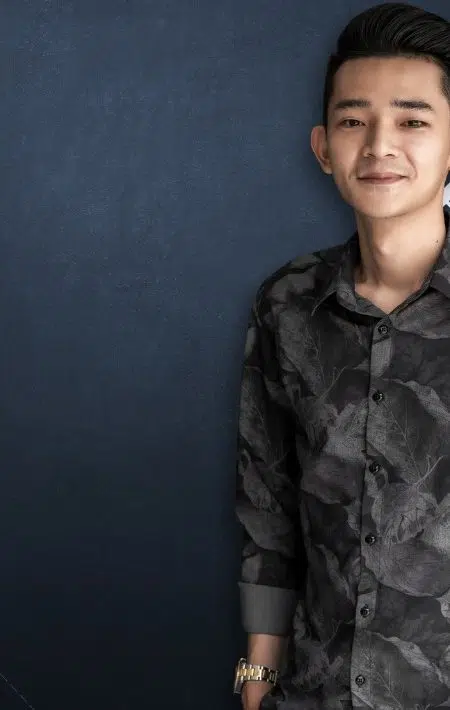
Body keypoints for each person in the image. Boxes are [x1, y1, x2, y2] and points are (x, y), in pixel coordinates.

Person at [232, 2, 450, 709]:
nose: (380, 145)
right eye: (355, 121)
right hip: (314, 690)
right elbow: (267, 501)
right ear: (324, 147)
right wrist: (258, 675)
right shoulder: (288, 303)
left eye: (412, 121)